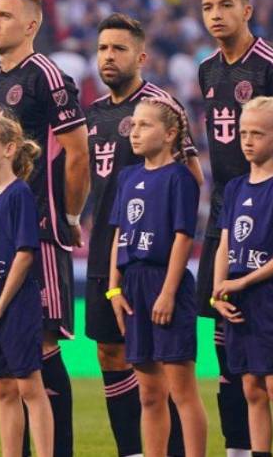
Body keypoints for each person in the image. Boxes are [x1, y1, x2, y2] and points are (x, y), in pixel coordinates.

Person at [196, 0, 273, 457]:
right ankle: (241, 447)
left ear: (247, 10)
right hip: (229, 205)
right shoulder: (206, 70)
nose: (216, 14)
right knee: (227, 338)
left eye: (226, 5)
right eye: (207, 7)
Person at [0, 0, 90, 456]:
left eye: (5, 15)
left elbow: (78, 151)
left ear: (32, 25)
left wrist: (66, 215)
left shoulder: (48, 75)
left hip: (40, 233)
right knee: (8, 364)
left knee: (40, 347)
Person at [85, 13, 197, 457]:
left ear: (141, 56)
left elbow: (189, 177)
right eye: (103, 49)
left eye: (118, 49)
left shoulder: (160, 107)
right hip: (108, 247)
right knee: (110, 354)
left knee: (164, 368)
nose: (108, 57)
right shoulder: (93, 113)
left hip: (151, 258)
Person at [107, 98, 208, 457]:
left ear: (169, 134)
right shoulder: (128, 176)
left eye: (144, 125)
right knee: (149, 392)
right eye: (133, 125)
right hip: (133, 286)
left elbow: (184, 237)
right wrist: (112, 288)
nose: (135, 132)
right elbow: (120, 234)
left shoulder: (180, 178)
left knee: (182, 390)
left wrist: (168, 292)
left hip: (165, 282)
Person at [212, 96, 273, 457]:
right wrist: (219, 291)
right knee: (250, 386)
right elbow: (224, 242)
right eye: (243, 133)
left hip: (270, 297)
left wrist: (245, 281)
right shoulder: (234, 187)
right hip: (237, 299)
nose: (247, 141)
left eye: (257, 134)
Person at [0, 112, 54, 457]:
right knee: (3, 388)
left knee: (30, 385)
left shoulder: (19, 194)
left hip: (14, 300)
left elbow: (25, 254)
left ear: (9, 149)